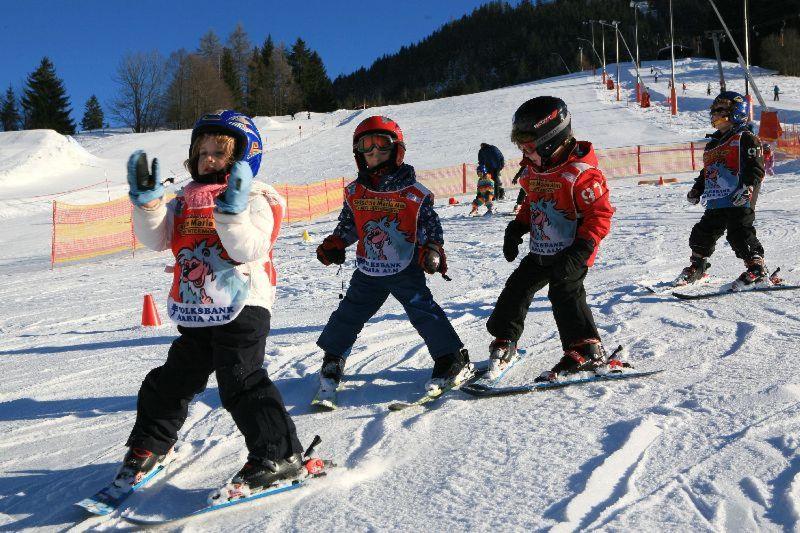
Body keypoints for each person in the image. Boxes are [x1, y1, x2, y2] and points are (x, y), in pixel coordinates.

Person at [122, 110, 312, 503]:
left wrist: (232, 210)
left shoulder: (259, 197)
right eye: (202, 151)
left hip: (245, 304)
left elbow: (249, 247)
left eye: (219, 153)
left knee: (240, 379)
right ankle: (150, 445)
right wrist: (149, 206)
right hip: (197, 307)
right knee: (171, 380)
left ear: (244, 157)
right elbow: (157, 239)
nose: (208, 159)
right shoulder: (185, 200)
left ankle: (280, 455)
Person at [315, 116, 470, 394]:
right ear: (359, 155)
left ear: (396, 150)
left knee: (422, 311)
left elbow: (430, 226)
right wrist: (336, 243)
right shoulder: (355, 192)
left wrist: (431, 248)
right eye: (367, 148)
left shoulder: (413, 193)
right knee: (349, 313)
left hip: (404, 267)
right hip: (368, 270)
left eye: (382, 147)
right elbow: (349, 225)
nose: (374, 154)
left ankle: (451, 357)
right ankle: (333, 357)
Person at [486, 96, 615, 382]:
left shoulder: (581, 173)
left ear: (550, 139)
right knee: (517, 288)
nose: (523, 153)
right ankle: (505, 340)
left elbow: (600, 215)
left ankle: (586, 349)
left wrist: (583, 249)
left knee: (564, 291)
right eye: (520, 146)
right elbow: (534, 201)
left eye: (528, 147)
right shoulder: (537, 168)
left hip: (572, 251)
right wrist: (517, 227)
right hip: (542, 248)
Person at [677, 91, 767, 287]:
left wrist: (748, 186)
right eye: (714, 111)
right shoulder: (713, 143)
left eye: (720, 110)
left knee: (739, 231)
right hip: (716, 196)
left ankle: (756, 267)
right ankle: (698, 266)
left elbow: (756, 167)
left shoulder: (746, 137)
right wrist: (697, 189)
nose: (715, 115)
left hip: (739, 194)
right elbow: (707, 171)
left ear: (736, 112)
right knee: (703, 231)